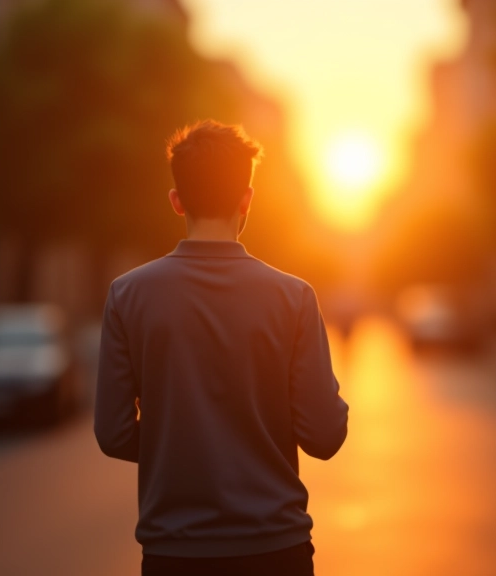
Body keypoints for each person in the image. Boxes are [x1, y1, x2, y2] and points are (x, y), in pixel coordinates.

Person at [94, 120, 349, 576]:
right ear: (246, 198)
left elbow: (112, 433)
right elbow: (325, 437)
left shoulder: (127, 294)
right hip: (277, 551)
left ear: (177, 200)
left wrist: (180, 445)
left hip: (174, 553)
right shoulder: (293, 298)